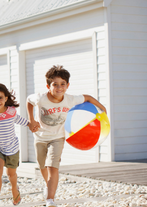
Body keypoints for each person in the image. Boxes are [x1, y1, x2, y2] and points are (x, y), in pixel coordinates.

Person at [26, 65, 107, 207]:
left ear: (68, 85)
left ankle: (50, 200)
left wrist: (102, 108)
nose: (59, 87)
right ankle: (47, 185)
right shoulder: (40, 98)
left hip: (58, 137)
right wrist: (31, 120)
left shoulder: (70, 99)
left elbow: (88, 98)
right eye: (55, 84)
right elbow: (28, 101)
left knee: (52, 166)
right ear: (48, 86)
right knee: (42, 166)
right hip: (40, 137)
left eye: (63, 84)